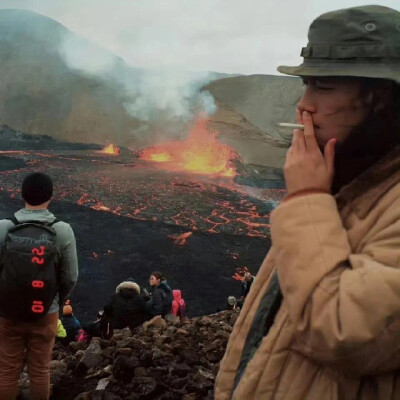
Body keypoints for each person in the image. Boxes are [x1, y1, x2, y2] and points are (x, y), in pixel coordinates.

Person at [215, 5, 400, 400]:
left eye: (323, 86)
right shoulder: (351, 177)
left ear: (380, 96)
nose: (303, 104)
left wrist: (307, 198)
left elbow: (344, 333)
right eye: (306, 85)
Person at [0, 172, 78, 400]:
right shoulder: (62, 230)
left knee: (6, 372)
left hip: (8, 313)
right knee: (40, 371)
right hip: (46, 312)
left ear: (22, 194)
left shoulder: (4, 227)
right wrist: (56, 301)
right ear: (51, 196)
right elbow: (71, 277)